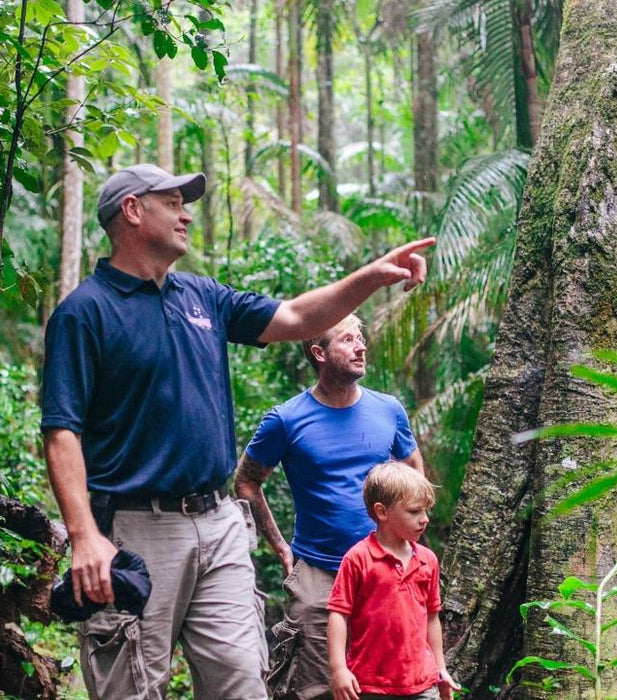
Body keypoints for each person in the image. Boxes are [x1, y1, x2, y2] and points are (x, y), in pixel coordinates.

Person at [41, 163, 434, 700]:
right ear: (133, 210)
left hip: (219, 522)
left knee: (244, 685)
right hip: (136, 528)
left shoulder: (202, 297)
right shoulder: (85, 313)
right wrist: (84, 535)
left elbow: (296, 317)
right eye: (173, 202)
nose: (185, 214)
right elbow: (61, 431)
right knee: (132, 687)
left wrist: (373, 275)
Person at [234, 313, 423, 700]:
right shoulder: (286, 420)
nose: (361, 346)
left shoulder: (388, 410)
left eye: (361, 337)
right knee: (317, 688)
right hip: (319, 575)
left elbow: (414, 471)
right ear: (319, 353)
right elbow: (246, 481)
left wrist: (412, 544)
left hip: (386, 571)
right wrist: (281, 548)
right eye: (348, 339)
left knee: (389, 684)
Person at [326, 462, 459, 700]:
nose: (425, 519)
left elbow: (431, 617)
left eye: (426, 510)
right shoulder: (358, 558)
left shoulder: (428, 560)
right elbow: (339, 614)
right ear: (382, 512)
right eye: (414, 511)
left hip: (422, 683)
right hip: (369, 684)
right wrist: (338, 669)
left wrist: (441, 669)